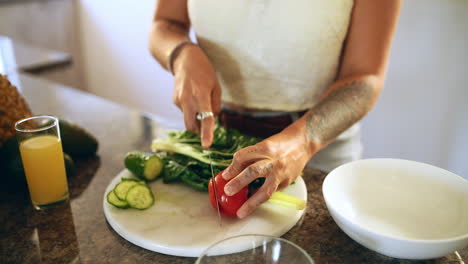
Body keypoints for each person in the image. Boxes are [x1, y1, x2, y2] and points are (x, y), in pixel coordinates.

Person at [149, 0, 401, 218]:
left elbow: (365, 77)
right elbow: (164, 24)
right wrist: (181, 54)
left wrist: (302, 143)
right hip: (216, 136)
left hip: (319, 146)